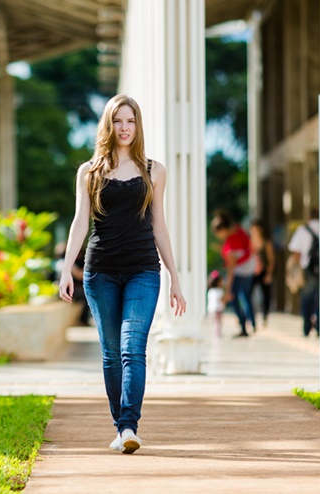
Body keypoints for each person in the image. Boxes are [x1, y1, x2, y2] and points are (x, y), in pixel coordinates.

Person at [58, 94, 186, 455]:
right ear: (108, 125)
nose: (124, 128)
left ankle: (129, 425)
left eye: (130, 121)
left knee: (133, 349)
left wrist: (175, 278)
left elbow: (159, 226)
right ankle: (121, 426)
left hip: (144, 270)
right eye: (118, 121)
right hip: (100, 273)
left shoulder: (154, 170)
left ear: (138, 125)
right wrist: (67, 269)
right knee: (112, 354)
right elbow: (80, 222)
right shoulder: (90, 171)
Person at [211, 210, 257, 337]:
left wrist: (227, 291)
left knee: (232, 297)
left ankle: (243, 327)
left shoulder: (231, 243)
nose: (217, 236)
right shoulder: (239, 229)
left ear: (222, 230)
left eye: (217, 233)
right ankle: (252, 323)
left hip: (241, 271)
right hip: (250, 268)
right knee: (246, 296)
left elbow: (231, 271)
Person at [288, 210, 320, 337]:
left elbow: (296, 252)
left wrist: (294, 269)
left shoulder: (302, 230)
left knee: (307, 298)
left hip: (308, 268)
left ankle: (307, 327)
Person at [249, 220, 275, 328]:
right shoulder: (249, 242)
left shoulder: (266, 242)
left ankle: (264, 316)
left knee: (266, 295)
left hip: (264, 271)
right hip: (251, 271)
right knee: (248, 294)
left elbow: (271, 259)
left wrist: (269, 273)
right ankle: (250, 317)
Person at [207, 270, 226, 337]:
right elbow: (222, 299)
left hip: (210, 310)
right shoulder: (220, 291)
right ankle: (217, 333)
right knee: (218, 322)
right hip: (218, 310)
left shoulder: (210, 291)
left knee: (213, 322)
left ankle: (214, 332)